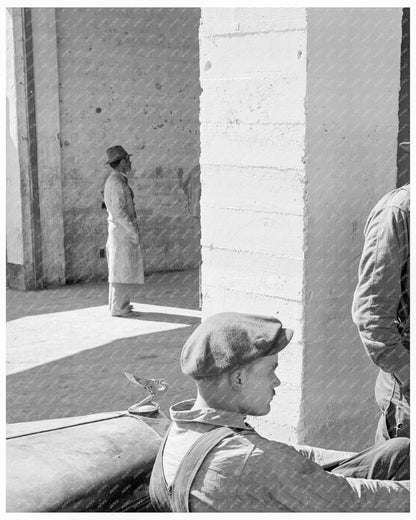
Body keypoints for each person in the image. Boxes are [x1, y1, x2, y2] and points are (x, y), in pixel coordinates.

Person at [149, 312, 409, 512]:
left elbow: (287, 455)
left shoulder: (184, 431)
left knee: (396, 451)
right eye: (271, 370)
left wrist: (366, 457)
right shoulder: (251, 459)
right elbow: (354, 501)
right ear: (238, 379)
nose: (277, 381)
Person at [352, 144, 410, 443]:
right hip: (408, 397)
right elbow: (372, 314)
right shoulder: (399, 212)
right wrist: (408, 372)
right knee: (401, 483)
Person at [104, 145, 144, 317]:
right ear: (121, 162)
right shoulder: (116, 183)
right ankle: (119, 307)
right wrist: (133, 230)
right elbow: (120, 212)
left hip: (120, 231)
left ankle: (118, 304)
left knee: (121, 269)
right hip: (122, 232)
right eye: (127, 159)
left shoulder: (118, 180)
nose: (130, 162)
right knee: (121, 270)